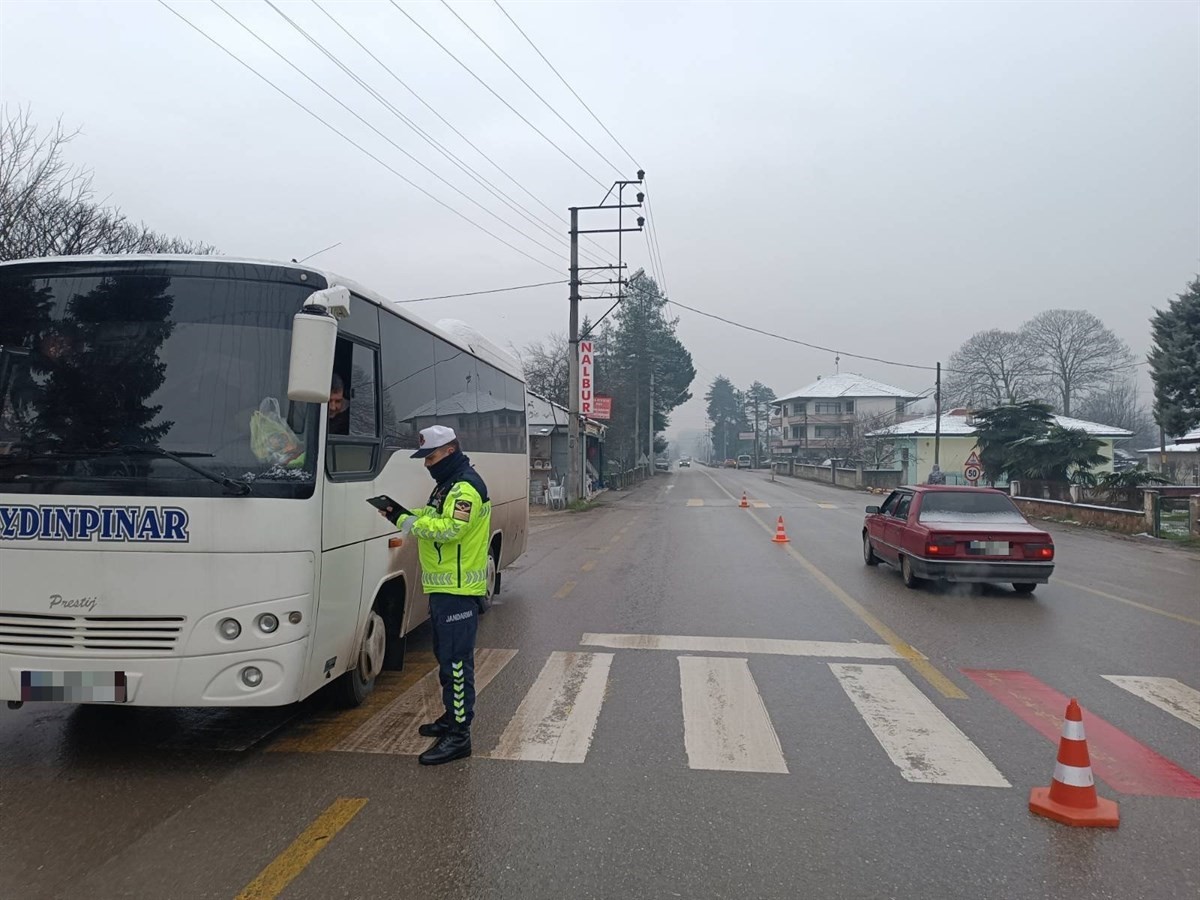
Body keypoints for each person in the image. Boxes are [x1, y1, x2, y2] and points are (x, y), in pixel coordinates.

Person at [379, 425, 491, 766]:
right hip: (444, 588)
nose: (427, 464)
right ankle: (451, 718)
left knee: (457, 665)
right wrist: (407, 515)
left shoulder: (467, 488)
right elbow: (434, 515)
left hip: (458, 590)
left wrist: (405, 522)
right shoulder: (448, 485)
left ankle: (460, 736)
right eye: (425, 458)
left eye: (431, 456)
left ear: (451, 450)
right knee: (446, 660)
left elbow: (452, 529)